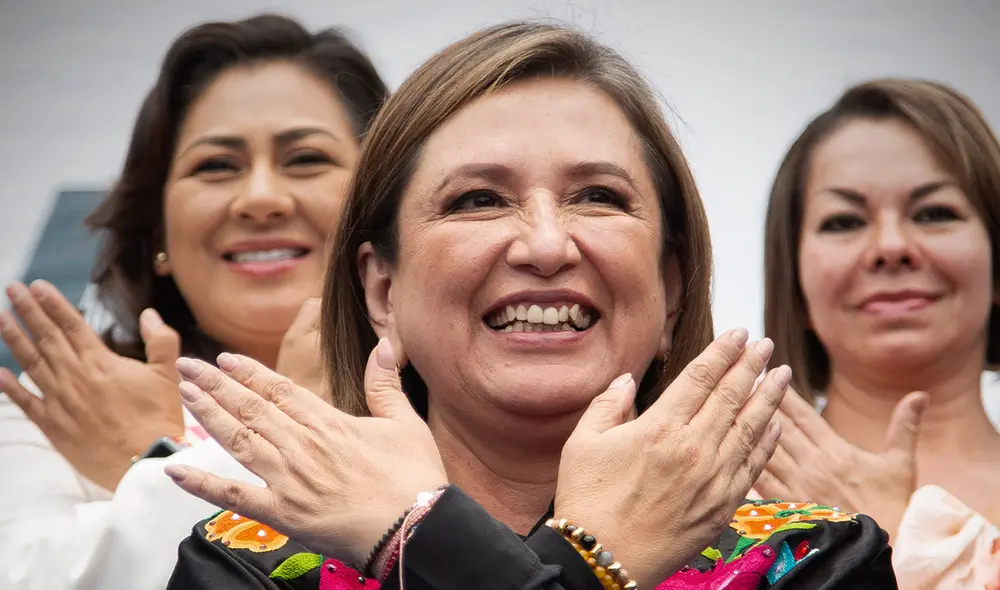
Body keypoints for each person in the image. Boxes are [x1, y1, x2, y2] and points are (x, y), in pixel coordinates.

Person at [164, 21, 896, 590]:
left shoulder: (812, 560)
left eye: (598, 197)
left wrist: (423, 540)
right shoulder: (250, 565)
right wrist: (597, 559)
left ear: (671, 286)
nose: (546, 245)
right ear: (382, 292)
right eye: (478, 200)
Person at [0, 14, 388, 590]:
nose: (260, 199)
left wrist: (146, 466)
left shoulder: (450, 390)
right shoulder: (53, 407)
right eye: (216, 166)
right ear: (157, 235)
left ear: (385, 203)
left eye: (306, 158)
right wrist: (284, 423)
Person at [758, 78, 1000, 589]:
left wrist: (891, 541)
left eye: (935, 213)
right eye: (844, 221)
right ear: (795, 284)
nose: (891, 246)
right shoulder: (715, 506)